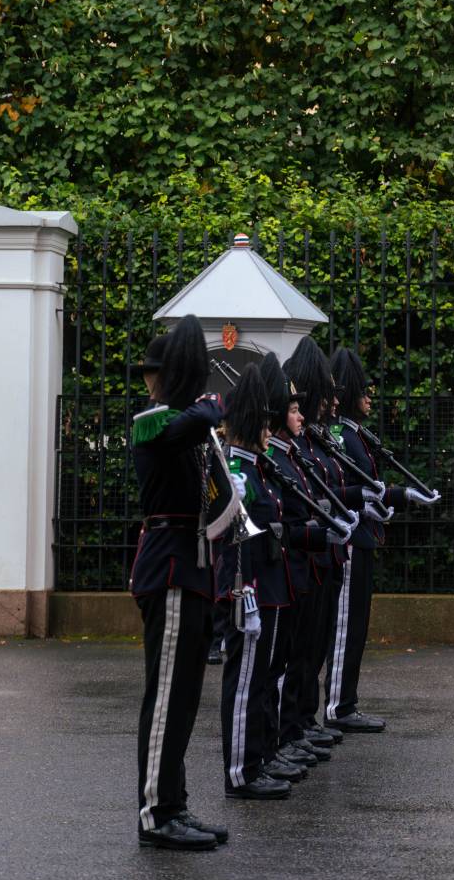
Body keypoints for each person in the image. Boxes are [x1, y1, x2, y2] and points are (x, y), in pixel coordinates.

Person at [131, 314, 231, 851]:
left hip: (192, 568)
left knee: (185, 698)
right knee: (166, 696)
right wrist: (202, 399)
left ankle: (174, 802)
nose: (150, 381)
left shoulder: (186, 425)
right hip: (168, 567)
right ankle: (154, 812)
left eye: (156, 373)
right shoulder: (153, 421)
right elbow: (206, 413)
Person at [324, 347, 438, 733]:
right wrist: (378, 502)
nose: (370, 398)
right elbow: (348, 488)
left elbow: (368, 487)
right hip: (350, 538)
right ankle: (338, 705)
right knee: (346, 626)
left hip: (362, 535)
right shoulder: (339, 434)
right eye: (364, 392)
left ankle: (345, 700)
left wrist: (401, 497)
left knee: (356, 625)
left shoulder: (353, 433)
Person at [258, 351, 353, 773]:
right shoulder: (280, 455)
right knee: (285, 660)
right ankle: (285, 730)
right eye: (292, 408)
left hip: (313, 563)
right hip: (292, 568)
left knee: (308, 649)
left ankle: (299, 722)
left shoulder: (300, 450)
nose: (301, 414)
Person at [217, 365, 294, 802]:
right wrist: (240, 592)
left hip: (265, 585)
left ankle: (257, 758)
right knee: (245, 680)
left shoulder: (255, 467)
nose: (270, 429)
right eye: (263, 421)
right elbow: (235, 540)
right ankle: (241, 770)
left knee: (261, 678)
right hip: (248, 589)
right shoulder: (239, 470)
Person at [281, 336, 359, 751]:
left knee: (316, 644)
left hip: (325, 554)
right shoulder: (297, 445)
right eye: (325, 394)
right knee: (298, 649)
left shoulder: (318, 438)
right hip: (304, 557)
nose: (332, 402)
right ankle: (291, 723)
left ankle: (304, 718)